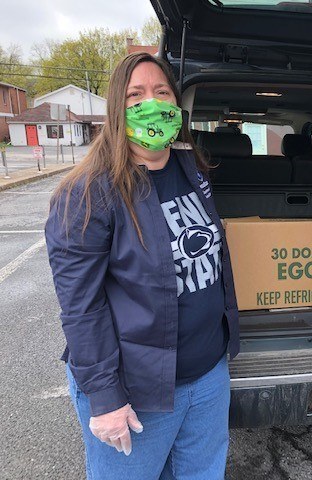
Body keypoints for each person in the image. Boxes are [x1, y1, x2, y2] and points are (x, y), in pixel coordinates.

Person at [45, 52, 239, 480]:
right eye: (135, 95)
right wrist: (105, 398)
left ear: (175, 105)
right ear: (117, 109)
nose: (150, 102)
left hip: (207, 376)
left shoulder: (192, 169)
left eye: (161, 91)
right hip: (138, 392)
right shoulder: (87, 194)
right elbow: (81, 308)